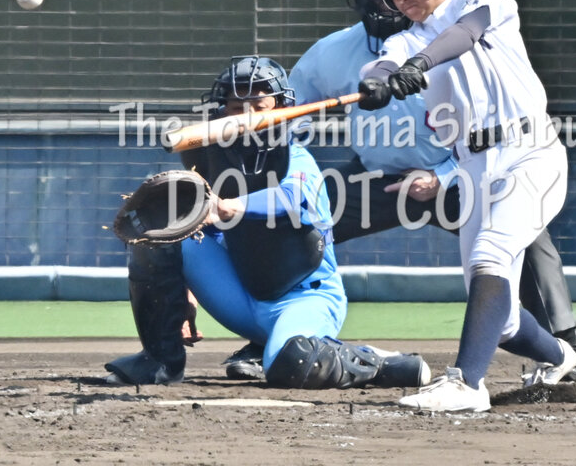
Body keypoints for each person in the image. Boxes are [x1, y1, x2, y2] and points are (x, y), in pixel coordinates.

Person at [221, 0, 576, 385]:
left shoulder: (460, 18)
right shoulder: (344, 50)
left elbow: (462, 38)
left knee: (520, 239)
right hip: (374, 179)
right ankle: (272, 336)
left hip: (454, 174)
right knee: (294, 225)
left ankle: (563, 340)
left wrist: (441, 171)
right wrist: (377, 79)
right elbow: (293, 115)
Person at [355, 0, 576, 412]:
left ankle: (466, 384)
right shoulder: (407, 39)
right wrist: (376, 82)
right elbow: (385, 64)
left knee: (490, 254)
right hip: (473, 167)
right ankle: (563, 357)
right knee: (502, 320)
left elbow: (464, 34)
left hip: (529, 150)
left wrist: (418, 65)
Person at [105, 55, 431, 391]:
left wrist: (229, 207)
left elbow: (292, 199)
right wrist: (182, 293)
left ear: (281, 110)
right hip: (243, 299)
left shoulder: (296, 159)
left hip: (306, 299)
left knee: (293, 362)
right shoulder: (213, 162)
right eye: (236, 107)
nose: (246, 116)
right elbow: (204, 236)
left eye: (258, 107)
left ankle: (379, 363)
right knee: (158, 234)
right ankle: (160, 360)